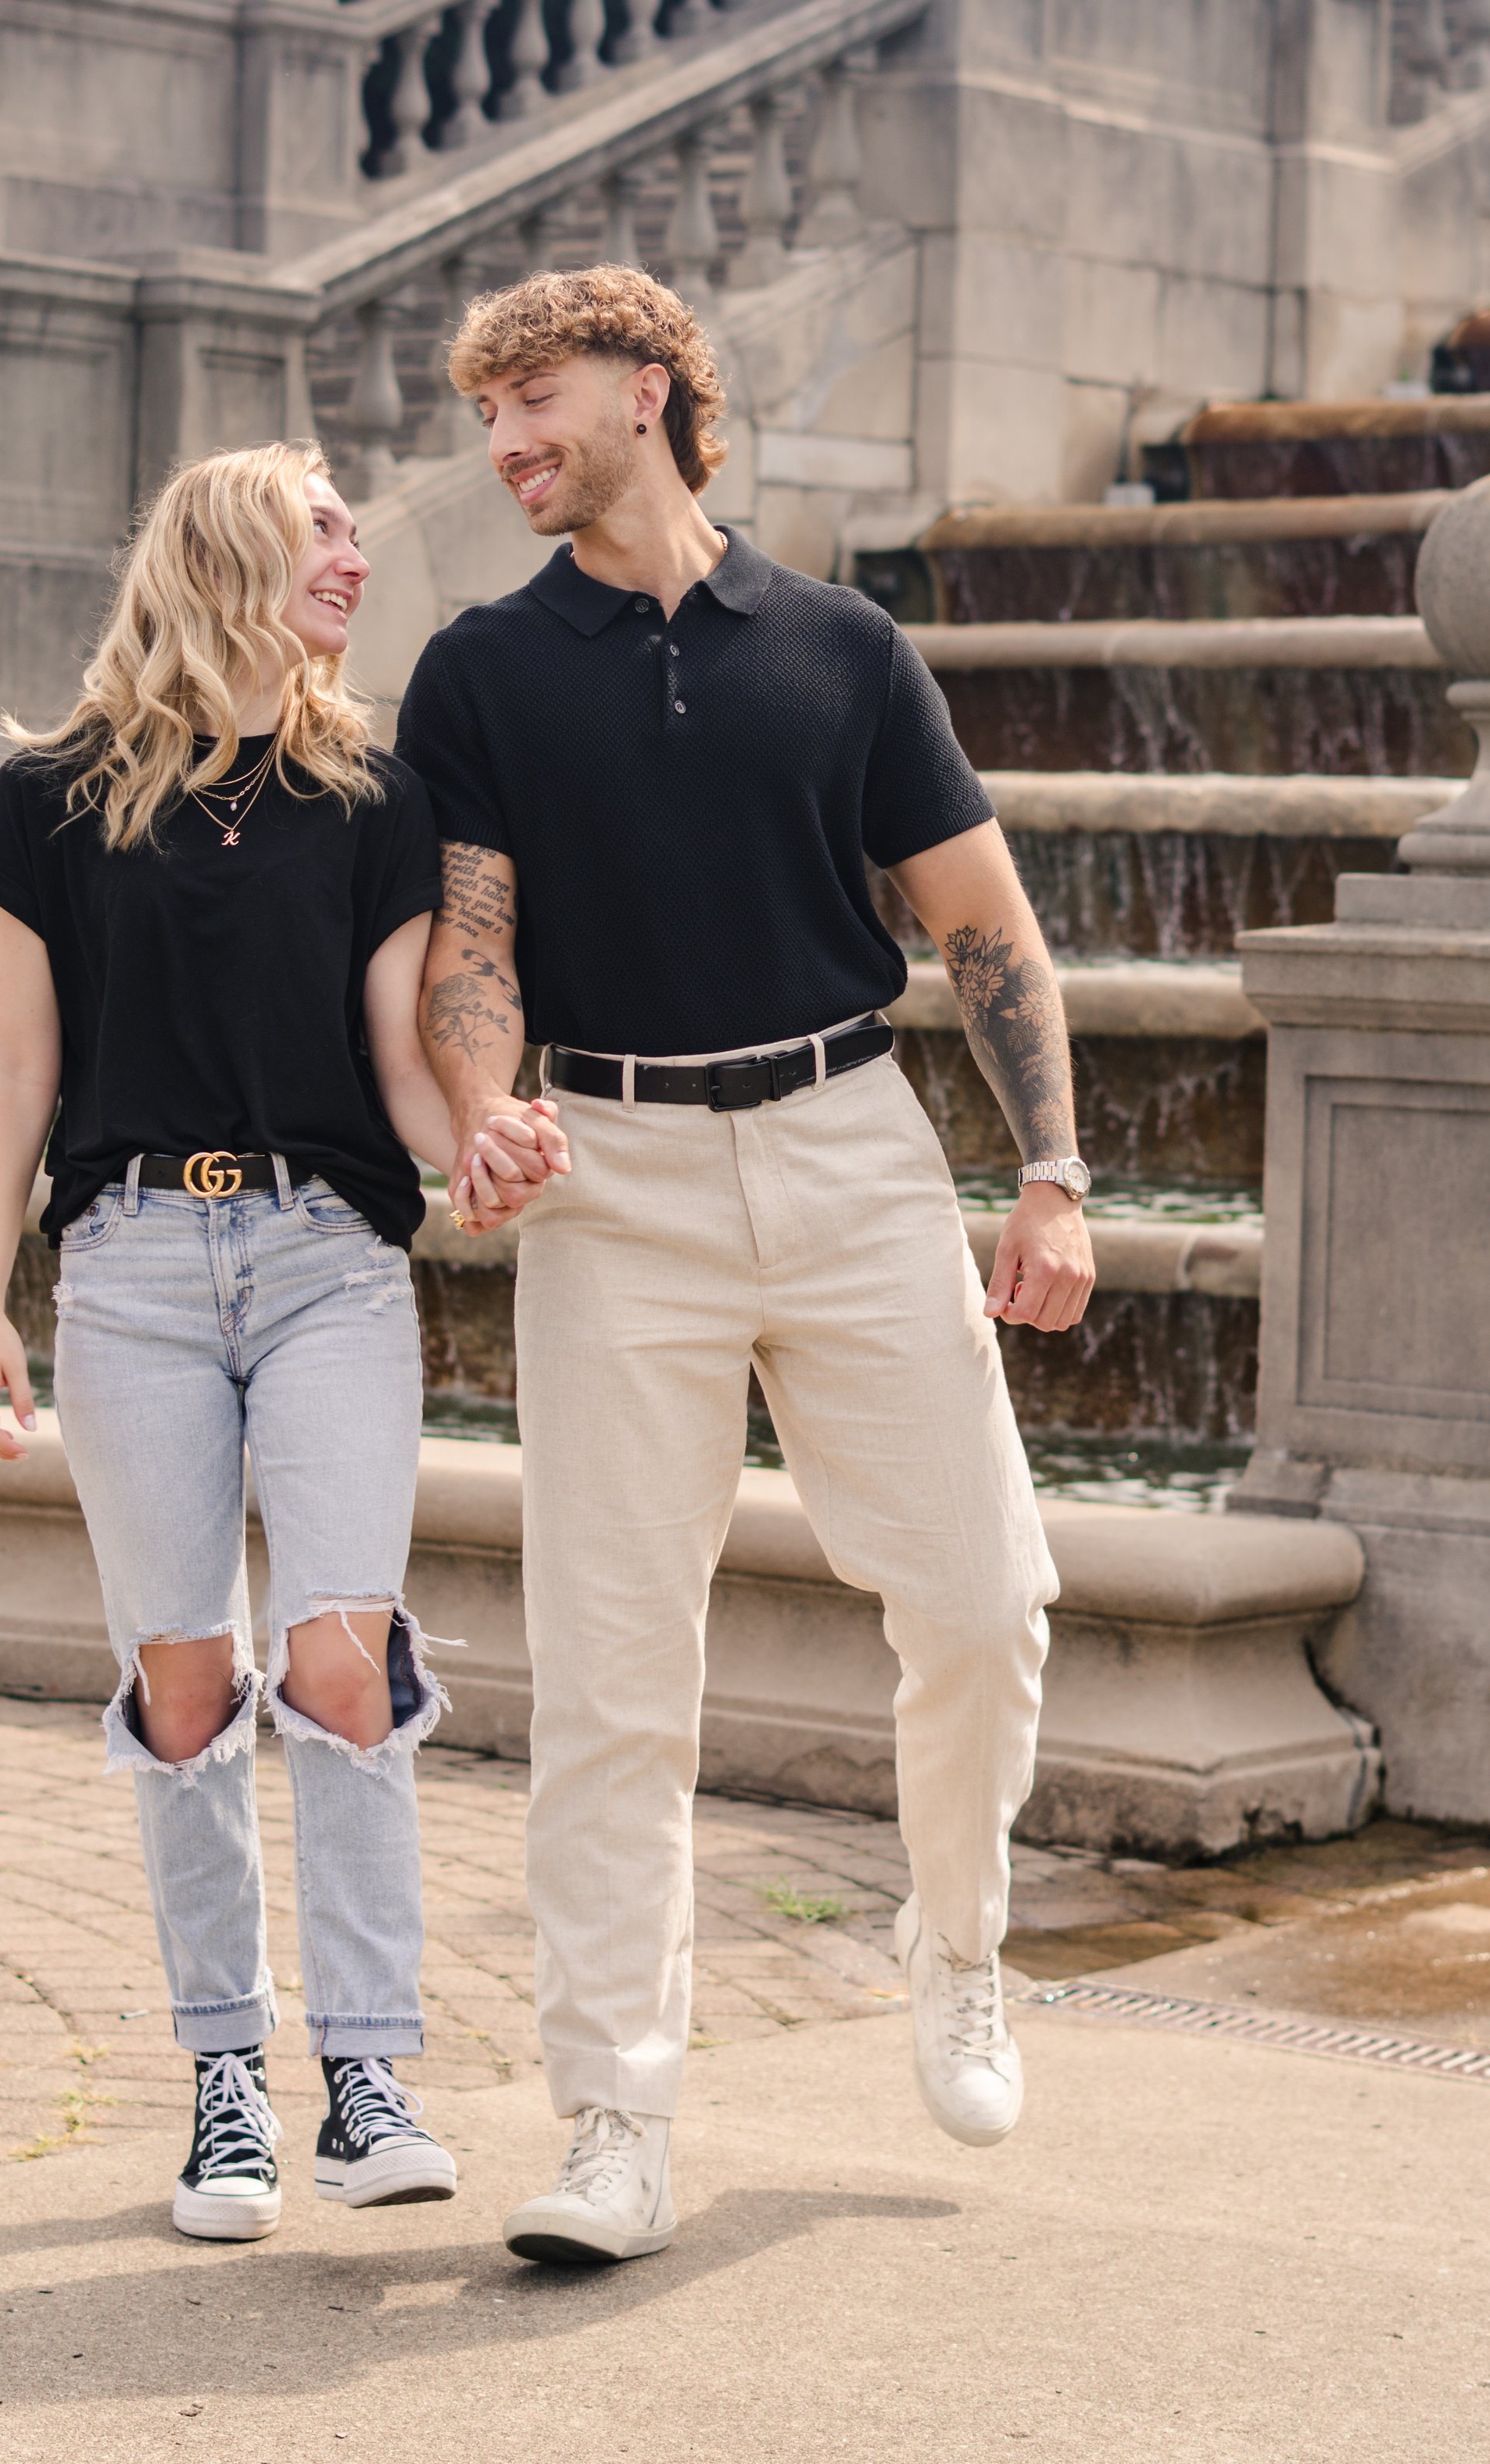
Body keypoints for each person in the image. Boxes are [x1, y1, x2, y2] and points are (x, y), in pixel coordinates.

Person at [396, 266, 1096, 2269]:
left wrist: (1047, 1171)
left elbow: (983, 926)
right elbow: (469, 949)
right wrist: (480, 1107)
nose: (509, 445)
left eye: (534, 401)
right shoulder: (480, 671)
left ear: (648, 383)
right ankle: (614, 2121)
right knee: (616, 1669)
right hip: (608, 1172)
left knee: (976, 1601)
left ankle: (953, 1945)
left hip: (850, 1144)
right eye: (487, 420)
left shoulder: (842, 648)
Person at [0, 439, 553, 2243]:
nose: (356, 563)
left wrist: (480, 1139)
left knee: (345, 1656)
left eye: (359, 537)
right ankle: (226, 2082)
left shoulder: (369, 793)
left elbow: (397, 1057)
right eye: (324, 532)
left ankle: (367, 2077)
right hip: (127, 1265)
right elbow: (11, 1071)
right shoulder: (48, 797)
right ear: (224, 548)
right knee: (186, 1683)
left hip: (325, 1259)